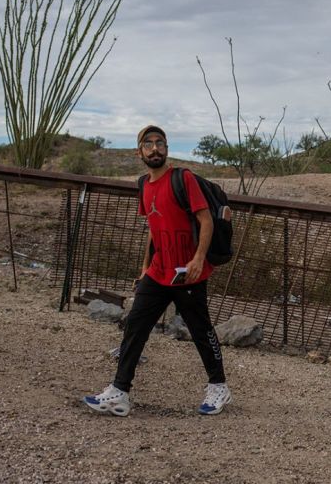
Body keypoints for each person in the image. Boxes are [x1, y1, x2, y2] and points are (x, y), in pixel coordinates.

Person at [83, 125, 231, 416]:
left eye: (160, 143)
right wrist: (144, 266)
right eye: (148, 144)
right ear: (139, 152)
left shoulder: (183, 178)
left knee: (200, 330)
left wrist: (199, 259)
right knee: (135, 327)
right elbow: (153, 226)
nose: (155, 148)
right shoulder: (144, 184)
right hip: (158, 271)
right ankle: (119, 392)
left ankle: (219, 387)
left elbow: (206, 220)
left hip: (187, 272)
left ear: (167, 148)